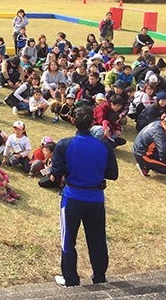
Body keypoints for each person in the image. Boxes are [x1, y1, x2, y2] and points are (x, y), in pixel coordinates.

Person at [51, 106, 119, 287]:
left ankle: (71, 279)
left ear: (73, 121)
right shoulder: (104, 146)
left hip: (72, 198)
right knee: (97, 240)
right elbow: (113, 174)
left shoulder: (64, 144)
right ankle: (99, 277)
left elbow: (56, 172)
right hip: (95, 199)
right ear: (92, 123)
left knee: (68, 241)